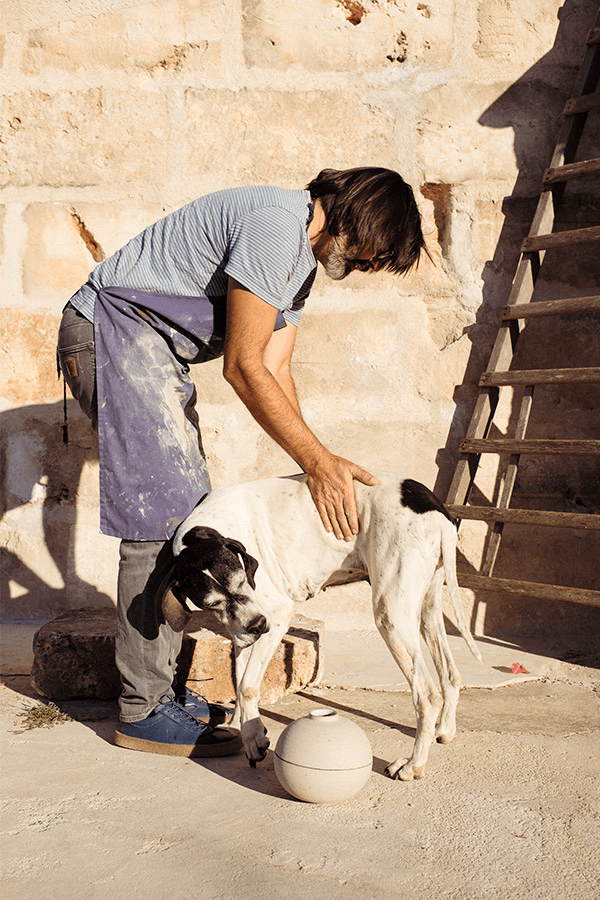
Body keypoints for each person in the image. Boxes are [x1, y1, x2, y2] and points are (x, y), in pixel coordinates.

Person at [56, 166, 426, 758]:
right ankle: (143, 710)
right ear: (357, 216)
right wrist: (316, 460)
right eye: (368, 255)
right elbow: (244, 366)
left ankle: (162, 696)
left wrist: (320, 465)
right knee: (161, 519)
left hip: (149, 346)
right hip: (110, 332)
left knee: (187, 517)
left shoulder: (297, 270)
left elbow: (277, 370)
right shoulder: (277, 226)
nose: (361, 269)